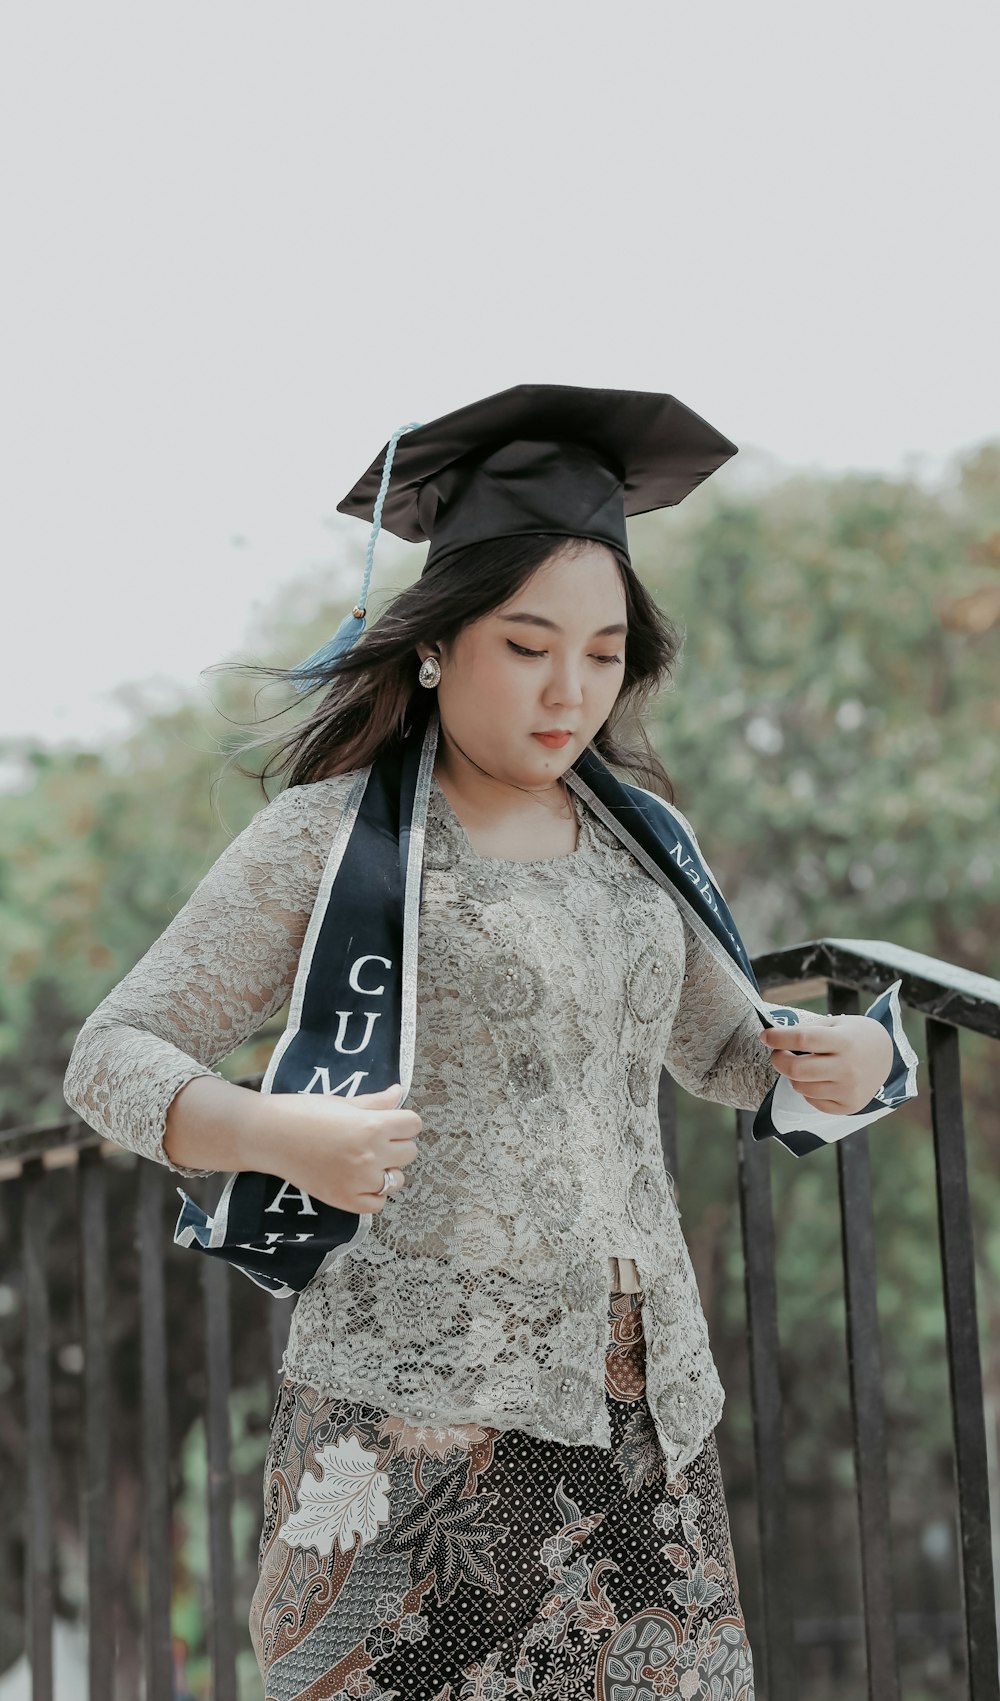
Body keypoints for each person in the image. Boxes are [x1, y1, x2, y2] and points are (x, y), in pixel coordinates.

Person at [63, 385, 916, 1701]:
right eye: (527, 645)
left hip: (640, 1423)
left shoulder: (646, 844)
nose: (571, 687)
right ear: (434, 642)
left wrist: (862, 1063)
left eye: (603, 649)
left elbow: (733, 1055)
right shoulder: (333, 838)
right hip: (416, 1427)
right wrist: (274, 1130)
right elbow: (112, 1052)